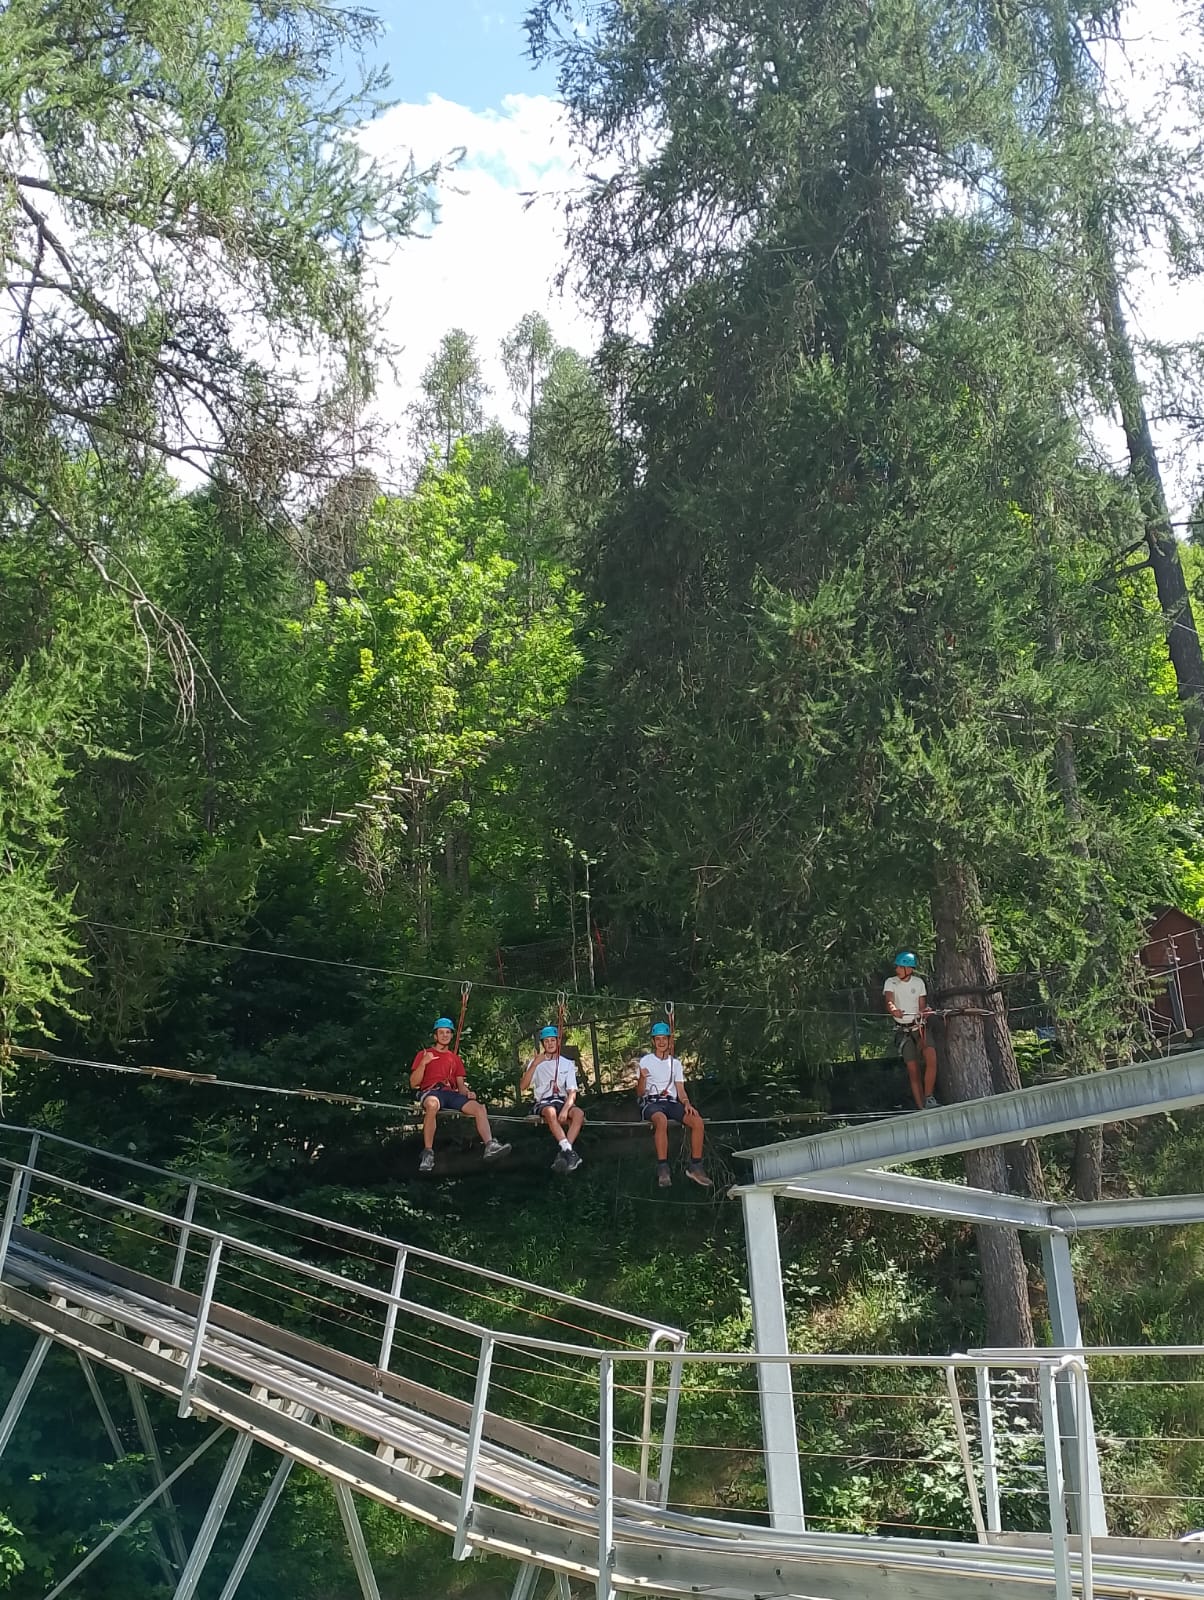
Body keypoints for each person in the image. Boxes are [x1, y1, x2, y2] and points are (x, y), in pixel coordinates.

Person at [410, 1018, 511, 1173]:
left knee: (479, 1108)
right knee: (432, 1105)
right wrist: (424, 1063)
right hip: (431, 1091)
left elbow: (460, 1086)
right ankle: (428, 1152)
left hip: (451, 1094)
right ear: (435, 1036)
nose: (445, 1035)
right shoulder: (425, 1054)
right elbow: (413, 1083)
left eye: (448, 1032)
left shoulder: (455, 1058)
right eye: (441, 1032)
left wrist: (468, 1092)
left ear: (451, 1035)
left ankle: (490, 1145)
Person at [637, 1021, 712, 1189]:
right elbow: (640, 1093)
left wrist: (686, 1103)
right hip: (652, 1102)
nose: (661, 1042)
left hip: (671, 1102)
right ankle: (663, 1167)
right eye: (658, 1039)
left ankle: (696, 1166)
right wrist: (642, 1077)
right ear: (653, 1041)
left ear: (669, 1041)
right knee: (661, 1120)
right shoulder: (646, 1061)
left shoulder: (675, 1064)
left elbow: (680, 1090)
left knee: (697, 1121)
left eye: (664, 1039)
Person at [521, 1025, 585, 1174]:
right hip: (544, 1102)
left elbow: (572, 1093)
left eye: (552, 1040)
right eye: (546, 1041)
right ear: (543, 1044)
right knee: (550, 1112)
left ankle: (565, 1153)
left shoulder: (567, 1063)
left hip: (562, 1100)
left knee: (579, 1114)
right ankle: (570, 1152)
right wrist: (535, 1064)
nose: (550, 1044)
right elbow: (523, 1086)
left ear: (558, 1042)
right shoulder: (536, 1062)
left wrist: (565, 1109)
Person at [883, 951, 939, 1110]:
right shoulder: (890, 982)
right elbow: (889, 1001)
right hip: (903, 1031)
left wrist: (924, 1012)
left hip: (919, 1026)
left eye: (900, 967)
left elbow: (921, 1006)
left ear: (909, 969)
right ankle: (921, 1107)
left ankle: (929, 1097)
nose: (897, 970)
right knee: (913, 1070)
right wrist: (894, 1011)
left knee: (932, 1059)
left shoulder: (918, 983)